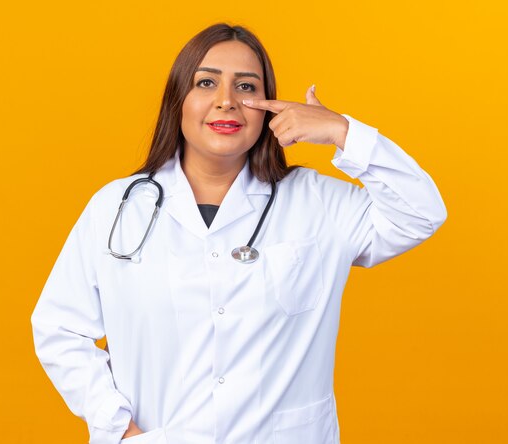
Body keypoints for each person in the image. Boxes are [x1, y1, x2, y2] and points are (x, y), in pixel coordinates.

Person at [31, 23, 447, 444]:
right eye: (206, 82)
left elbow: (421, 212)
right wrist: (118, 426)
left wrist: (343, 132)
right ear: (178, 100)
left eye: (246, 87)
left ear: (268, 108)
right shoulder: (117, 207)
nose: (227, 101)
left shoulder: (319, 204)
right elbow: (59, 328)